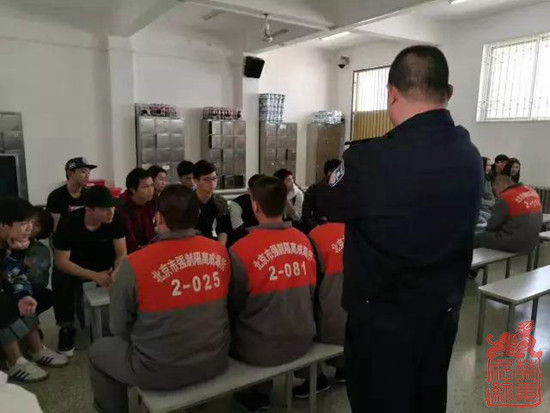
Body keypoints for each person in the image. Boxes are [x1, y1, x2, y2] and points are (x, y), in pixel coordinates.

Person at [317, 45, 482, 413]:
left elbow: (324, 201)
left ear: (391, 94)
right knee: (428, 399)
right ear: (449, 92)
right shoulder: (469, 154)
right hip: (441, 316)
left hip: (383, 326)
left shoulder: (369, 160)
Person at [89, 185, 231, 413]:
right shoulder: (220, 252)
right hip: (215, 360)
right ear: (197, 215)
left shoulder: (134, 264)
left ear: (159, 218)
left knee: (97, 351)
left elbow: (118, 327)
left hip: (158, 370)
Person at [229, 176, 316, 412]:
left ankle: (255, 394)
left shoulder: (240, 249)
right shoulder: (304, 241)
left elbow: (234, 304)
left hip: (260, 348)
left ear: (255, 206)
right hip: (303, 340)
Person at [53, 186, 126, 356]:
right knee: (60, 278)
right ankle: (66, 327)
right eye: (105, 209)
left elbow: (121, 253)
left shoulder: (117, 219)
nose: (110, 213)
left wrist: (117, 270)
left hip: (103, 261)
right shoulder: (69, 223)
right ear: (89, 210)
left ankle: (125, 323)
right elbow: (61, 262)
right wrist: (93, 276)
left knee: (128, 271)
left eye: (112, 207)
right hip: (76, 264)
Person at [1, 197, 68, 383]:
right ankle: (15, 361)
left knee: (27, 297)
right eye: (24, 223)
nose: (29, 229)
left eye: (32, 223)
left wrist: (23, 294)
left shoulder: (12, 243)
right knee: (5, 302)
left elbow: (16, 275)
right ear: (4, 225)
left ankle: (36, 349)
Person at [293, 220, 346, 399]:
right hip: (358, 318)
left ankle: (314, 378)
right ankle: (343, 367)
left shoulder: (313, 237)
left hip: (329, 325)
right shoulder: (356, 229)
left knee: (295, 311)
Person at [475, 174, 542, 253]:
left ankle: (470, 259)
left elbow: (492, 225)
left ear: (500, 185)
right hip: (532, 242)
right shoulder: (532, 191)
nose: (495, 193)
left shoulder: (506, 197)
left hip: (514, 243)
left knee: (477, 237)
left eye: (494, 189)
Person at [46, 157, 97, 232]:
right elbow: (55, 227)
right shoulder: (56, 196)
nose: (87, 176)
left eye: (88, 173)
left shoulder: (90, 195)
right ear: (70, 173)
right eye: (83, 172)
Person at [24, 208, 55, 316]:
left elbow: (38, 282)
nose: (29, 226)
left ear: (42, 230)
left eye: (36, 224)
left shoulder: (40, 250)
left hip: (29, 291)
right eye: (27, 221)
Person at [117, 168, 156, 253]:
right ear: (133, 190)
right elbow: (130, 242)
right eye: (145, 187)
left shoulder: (152, 201)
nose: (150, 190)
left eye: (152, 185)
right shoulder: (122, 207)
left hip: (149, 247)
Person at [193, 161, 232, 246]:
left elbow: (223, 229)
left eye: (214, 178)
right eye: (206, 179)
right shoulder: (187, 202)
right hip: (192, 244)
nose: (212, 183)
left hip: (213, 244)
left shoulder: (220, 202)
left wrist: (220, 249)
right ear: (196, 180)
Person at [301, 159, 341, 233]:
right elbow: (306, 214)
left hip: (339, 231)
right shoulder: (314, 189)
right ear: (330, 173)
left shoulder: (344, 191)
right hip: (319, 230)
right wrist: (318, 227)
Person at [228, 174, 263, 246]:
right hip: (242, 242)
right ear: (249, 191)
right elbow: (238, 231)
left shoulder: (271, 202)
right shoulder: (238, 203)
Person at [479, 157, 495, 224]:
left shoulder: (487, 179)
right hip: (480, 209)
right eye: (487, 165)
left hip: (487, 207)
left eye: (490, 165)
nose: (489, 168)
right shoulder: (476, 180)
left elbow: (490, 197)